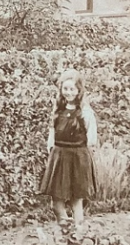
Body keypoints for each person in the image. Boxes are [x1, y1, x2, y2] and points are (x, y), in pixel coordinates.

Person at [37, 68, 98, 228]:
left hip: (78, 157)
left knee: (76, 200)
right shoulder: (58, 108)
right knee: (56, 202)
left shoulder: (85, 111)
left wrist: (86, 153)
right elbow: (53, 128)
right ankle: (65, 231)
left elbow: (92, 137)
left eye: (72, 89)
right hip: (59, 156)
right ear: (61, 89)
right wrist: (51, 145)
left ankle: (78, 234)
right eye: (65, 88)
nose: (68, 92)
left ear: (79, 90)